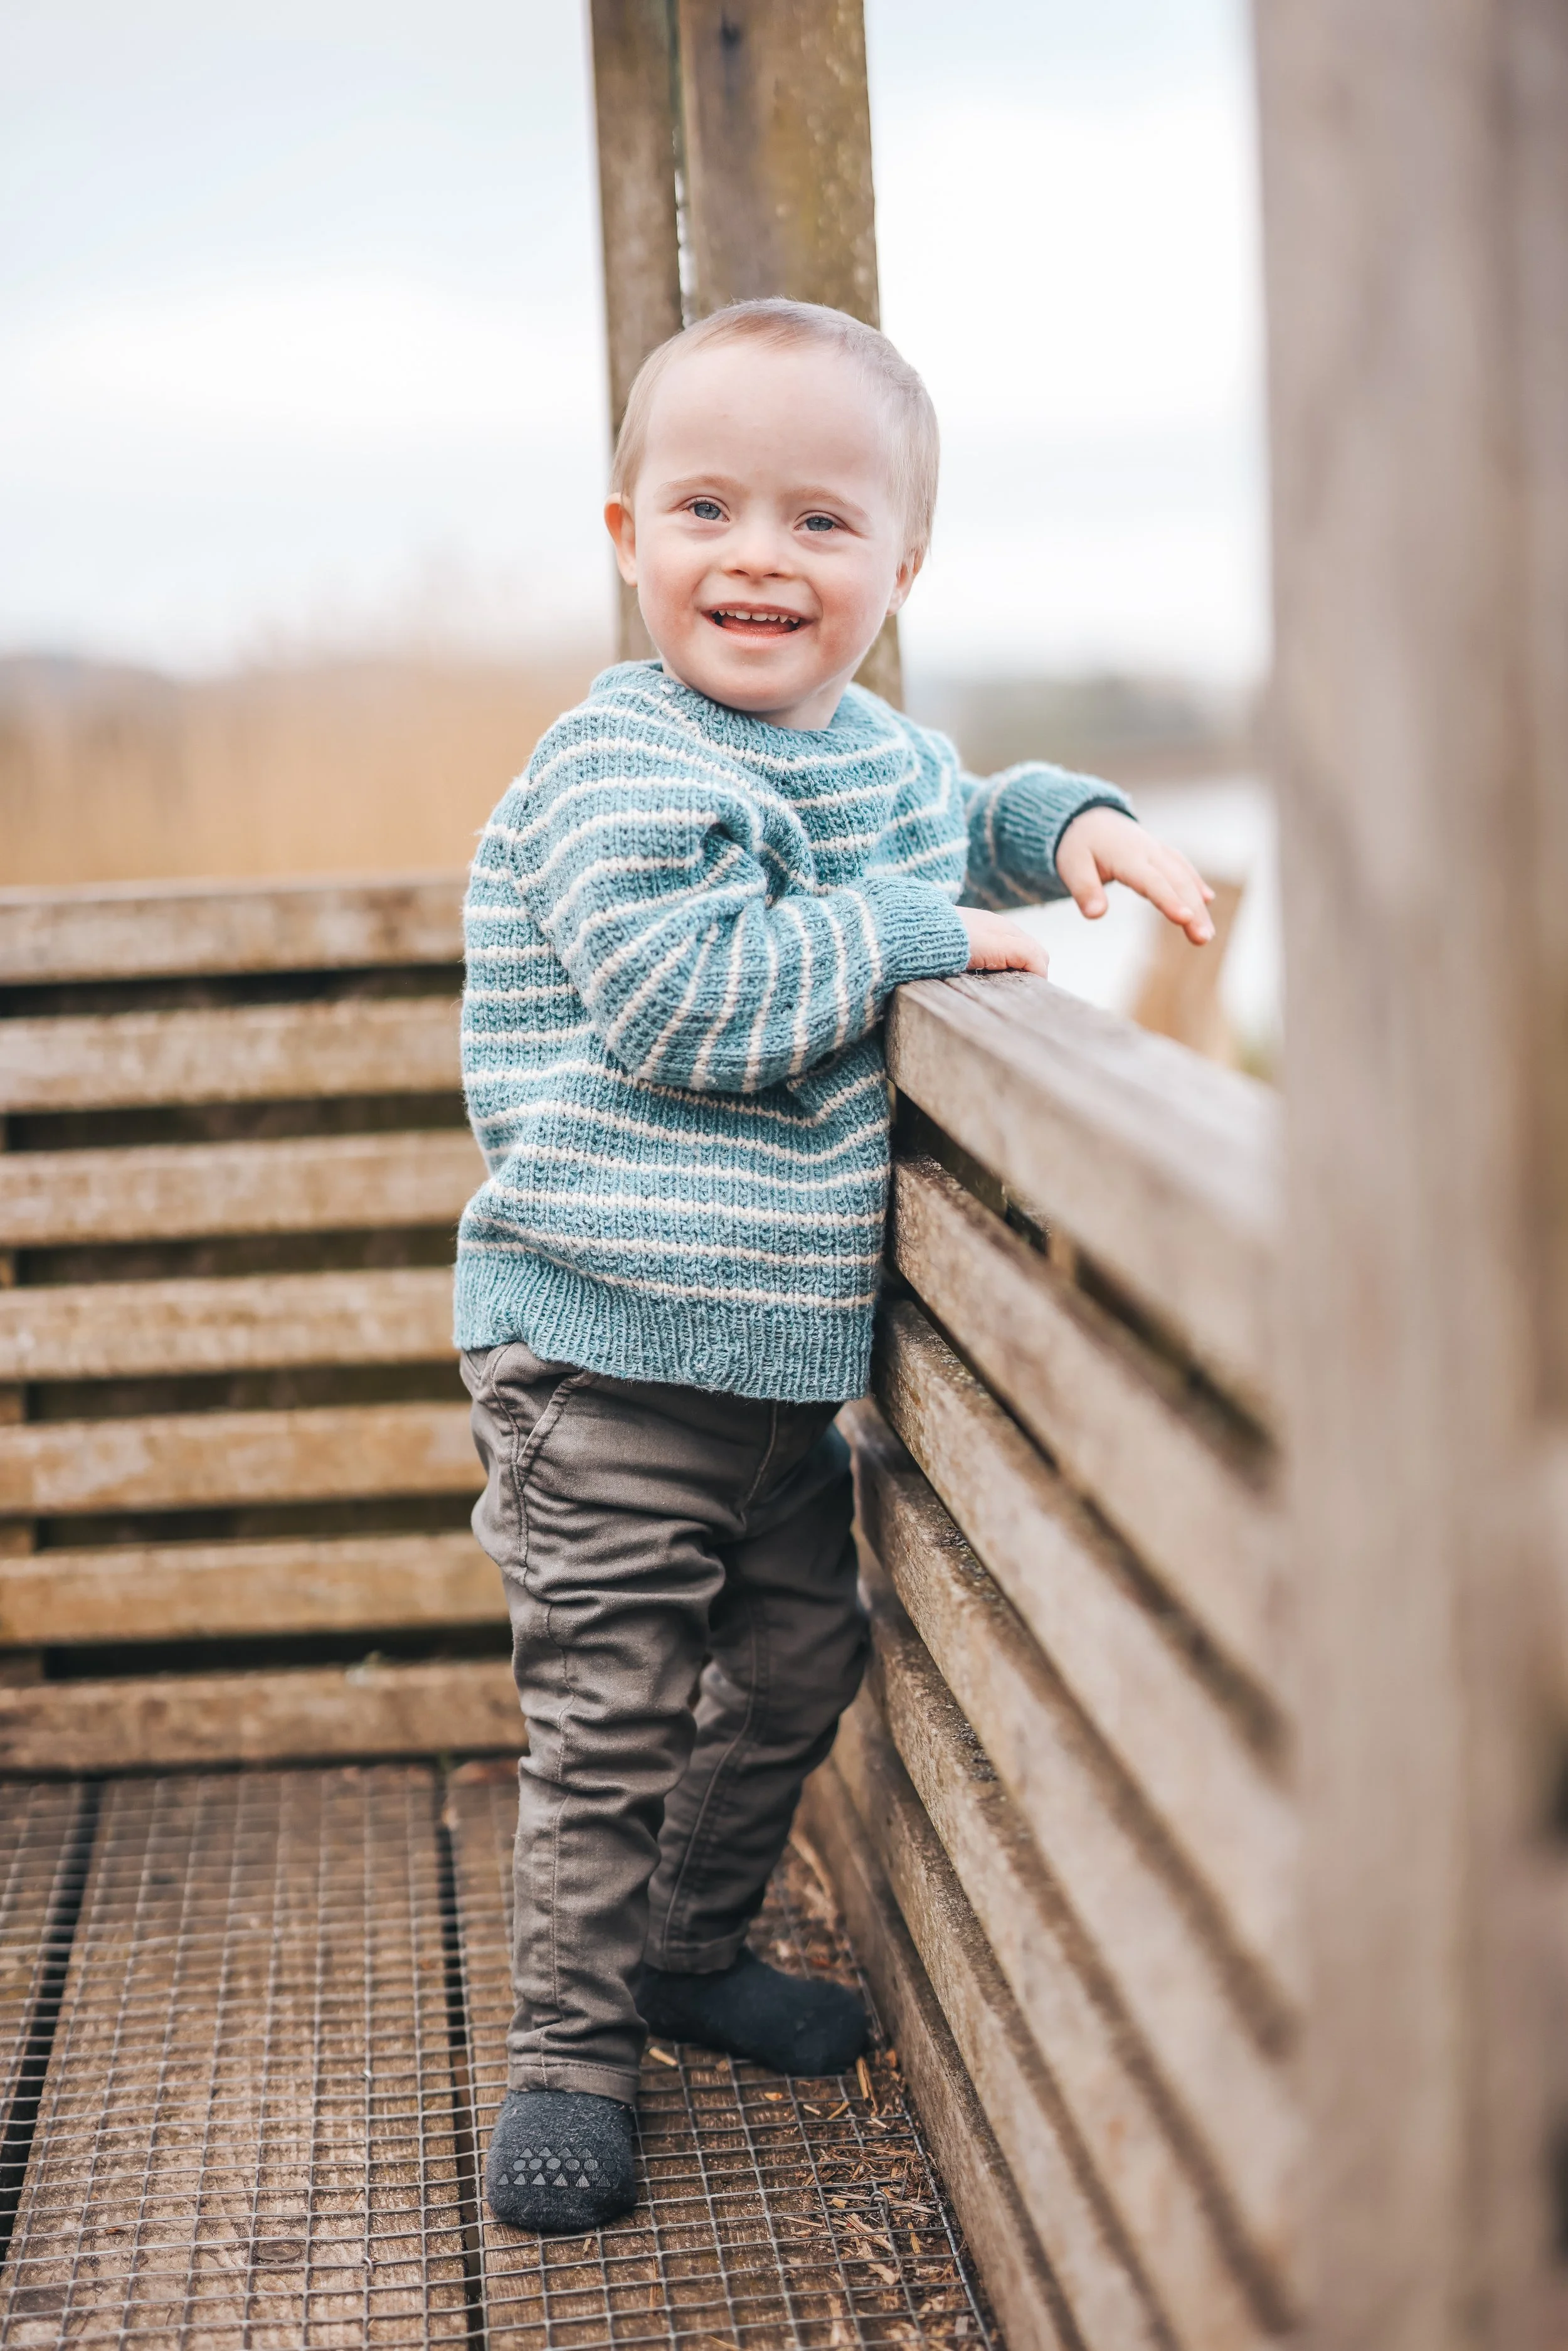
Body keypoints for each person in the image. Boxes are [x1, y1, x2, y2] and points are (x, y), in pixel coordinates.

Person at [455, 298, 1214, 2234]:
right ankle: (566, 2053)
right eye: (707, 506)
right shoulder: (617, 765)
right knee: (611, 1712)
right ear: (627, 537)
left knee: (803, 1652)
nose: (758, 559)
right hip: (603, 1357)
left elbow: (952, 817)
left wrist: (1076, 824)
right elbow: (681, 1001)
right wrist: (922, 931)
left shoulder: (868, 756)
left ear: (898, 565)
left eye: (818, 521)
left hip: (781, 1372)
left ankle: (692, 1954)